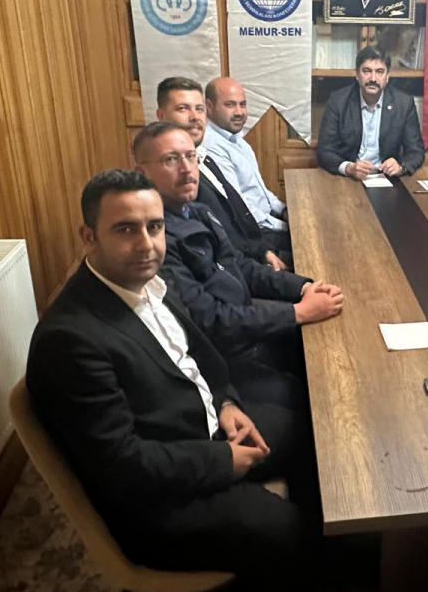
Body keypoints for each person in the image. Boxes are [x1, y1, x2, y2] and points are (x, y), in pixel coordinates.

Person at [26, 170, 318, 592]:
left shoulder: (151, 282)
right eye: (125, 229)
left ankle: (305, 553)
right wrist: (222, 462)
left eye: (155, 227)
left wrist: (226, 403)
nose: (147, 244)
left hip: (197, 431)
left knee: (302, 428)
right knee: (289, 531)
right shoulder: (70, 341)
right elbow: (124, 468)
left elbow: (202, 356)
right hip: (157, 501)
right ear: (88, 236)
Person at [134, 122, 343, 407]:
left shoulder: (197, 211)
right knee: (314, 392)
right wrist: (297, 312)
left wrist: (304, 287)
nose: (186, 169)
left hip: (248, 330)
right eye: (171, 159)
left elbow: (242, 267)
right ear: (142, 173)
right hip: (222, 361)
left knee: (331, 347)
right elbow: (209, 320)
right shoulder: (155, 240)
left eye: (191, 156)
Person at [155, 77, 285, 271]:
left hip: (247, 252)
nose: (194, 116)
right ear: (162, 115)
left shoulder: (209, 155)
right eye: (183, 108)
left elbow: (236, 212)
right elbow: (222, 249)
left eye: (198, 109)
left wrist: (263, 250)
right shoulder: (174, 178)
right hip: (239, 262)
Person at [201, 76, 292, 257]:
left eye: (242, 104)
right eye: (230, 105)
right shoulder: (212, 146)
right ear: (209, 106)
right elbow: (240, 207)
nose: (239, 112)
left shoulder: (236, 138)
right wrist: (284, 226)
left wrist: (283, 210)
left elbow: (261, 191)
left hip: (267, 220)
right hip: (254, 231)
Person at [316, 46, 426, 179]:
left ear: (388, 76)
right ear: (357, 74)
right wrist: (348, 168)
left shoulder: (404, 104)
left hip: (388, 178)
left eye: (380, 72)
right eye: (367, 71)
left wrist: (401, 167)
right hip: (348, 178)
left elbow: (416, 151)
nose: (373, 78)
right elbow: (324, 150)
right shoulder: (338, 101)